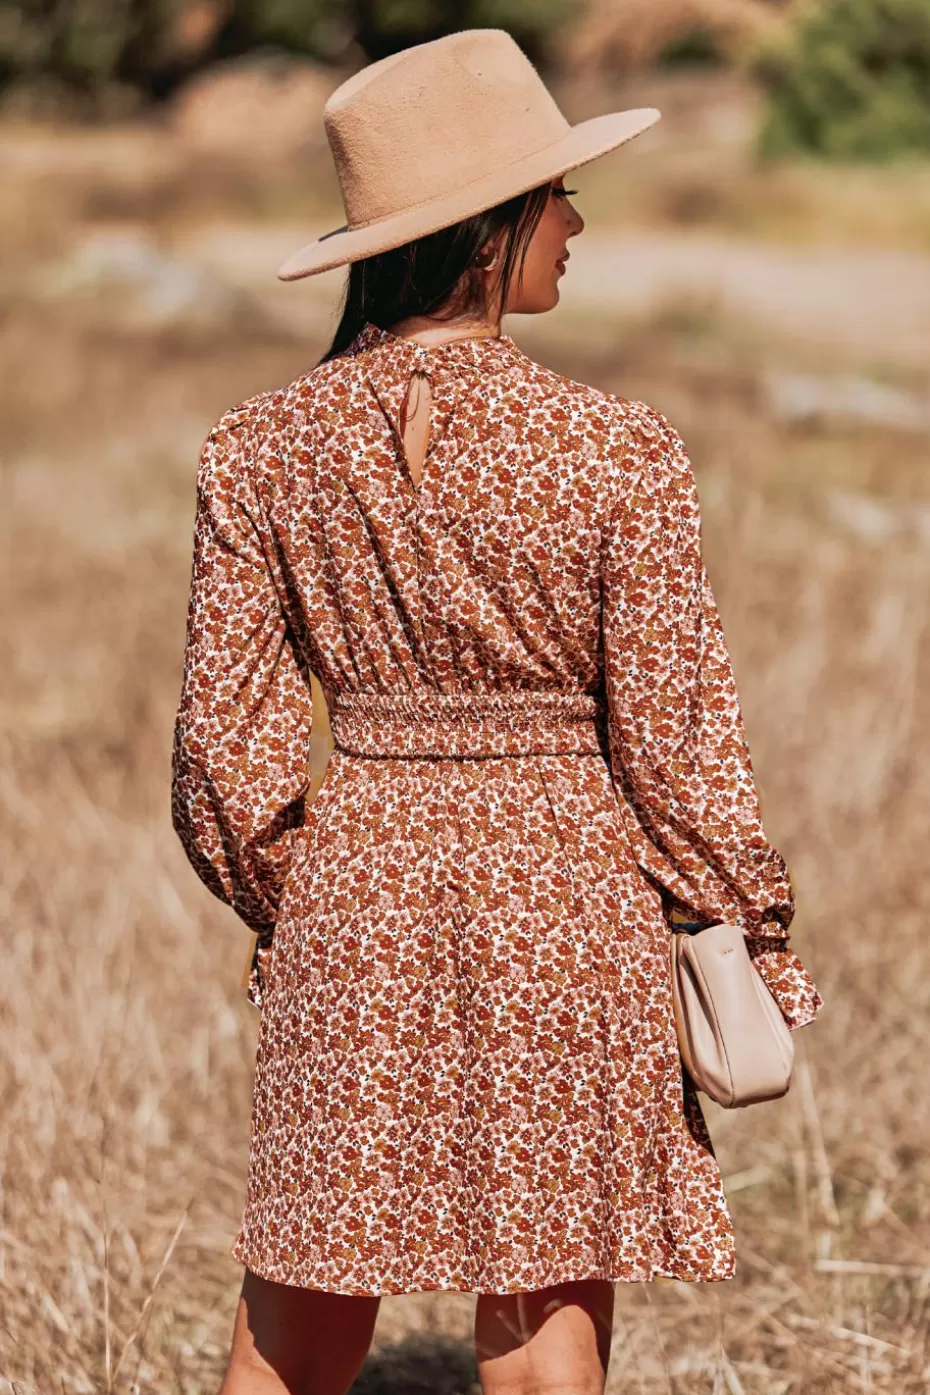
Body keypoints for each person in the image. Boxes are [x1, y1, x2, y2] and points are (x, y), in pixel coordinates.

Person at [170, 27, 824, 1395]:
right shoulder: (616, 449)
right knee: (539, 1320)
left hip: (352, 896)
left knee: (295, 1306)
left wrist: (317, 896)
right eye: (554, 193)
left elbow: (225, 763)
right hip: (562, 896)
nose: (575, 220)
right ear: (487, 229)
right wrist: (743, 924)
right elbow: (676, 741)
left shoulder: (255, 451)